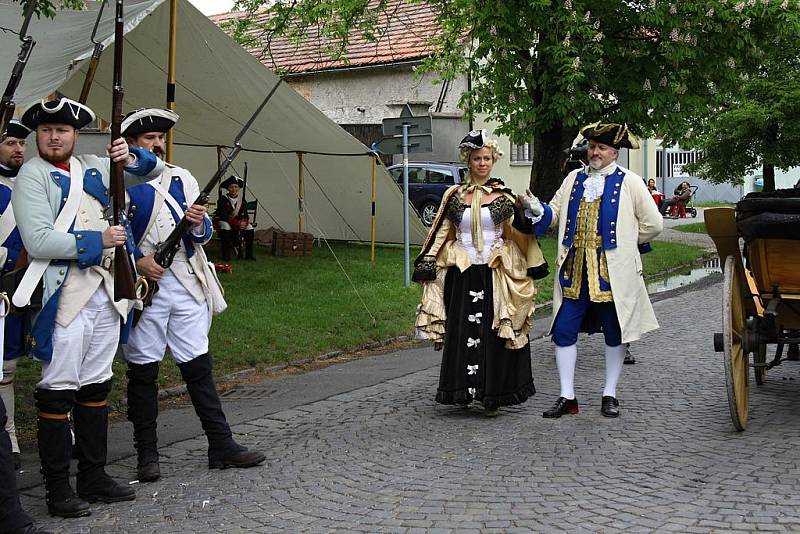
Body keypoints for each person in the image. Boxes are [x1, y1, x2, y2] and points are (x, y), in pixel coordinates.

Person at [13, 97, 165, 518]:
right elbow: (40, 240)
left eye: (62, 130)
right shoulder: (32, 175)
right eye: (46, 131)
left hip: (106, 293)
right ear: (38, 137)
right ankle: (58, 490)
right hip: (65, 293)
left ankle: (93, 476)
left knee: (97, 383)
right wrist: (98, 242)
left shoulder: (95, 166)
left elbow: (151, 170)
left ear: (75, 135)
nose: (54, 136)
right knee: (59, 387)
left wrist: (129, 153)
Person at [121, 108, 265, 483]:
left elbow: (201, 239)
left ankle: (221, 444)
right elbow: (111, 229)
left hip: (185, 282)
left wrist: (198, 225)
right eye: (147, 139)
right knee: (143, 372)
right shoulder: (117, 180)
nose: (156, 144)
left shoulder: (180, 177)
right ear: (132, 144)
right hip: (143, 289)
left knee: (198, 367)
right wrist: (139, 261)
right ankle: (146, 456)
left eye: (158, 139)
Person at [525, 122, 662, 418]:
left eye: (601, 148)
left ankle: (609, 394)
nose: (594, 152)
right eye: (592, 147)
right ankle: (567, 396)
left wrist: (627, 245)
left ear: (614, 152)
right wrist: (538, 210)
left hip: (611, 274)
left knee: (615, 331)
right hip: (574, 270)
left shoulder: (631, 181)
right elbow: (555, 213)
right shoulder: (573, 178)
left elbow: (654, 224)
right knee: (562, 331)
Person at [413, 129, 548, 416]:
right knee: (461, 332)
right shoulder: (454, 196)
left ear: (493, 160)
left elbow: (519, 232)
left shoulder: (504, 197)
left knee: (494, 332)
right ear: (468, 161)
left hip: (494, 271)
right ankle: (460, 391)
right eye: (477, 158)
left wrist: (527, 212)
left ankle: (492, 394)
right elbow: (441, 232)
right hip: (462, 273)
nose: (482, 163)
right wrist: (428, 260)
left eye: (487, 158)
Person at [0, 120, 31, 471]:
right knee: (4, 367)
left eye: (22, 142)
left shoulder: (30, 185)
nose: (18, 149)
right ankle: (9, 440)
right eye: (10, 142)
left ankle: (64, 432)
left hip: (36, 282)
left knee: (53, 360)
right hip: (5, 285)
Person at [214, 176, 255, 261]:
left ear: (239, 188)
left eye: (236, 187)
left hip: (239, 222)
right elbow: (223, 215)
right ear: (228, 189)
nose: (234, 189)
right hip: (225, 220)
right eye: (231, 187)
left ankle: (249, 255)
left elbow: (245, 215)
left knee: (250, 227)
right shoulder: (223, 199)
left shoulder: (242, 200)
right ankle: (226, 255)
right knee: (226, 226)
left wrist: (244, 222)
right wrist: (237, 223)